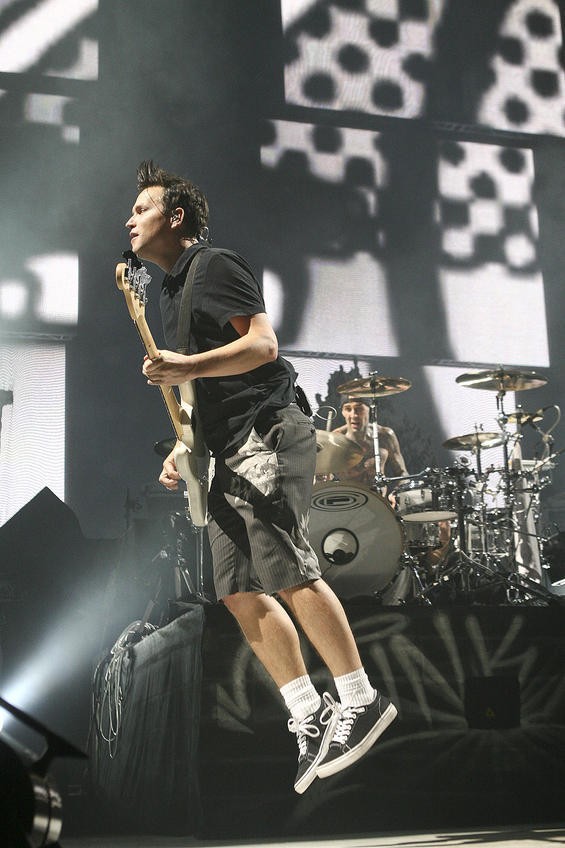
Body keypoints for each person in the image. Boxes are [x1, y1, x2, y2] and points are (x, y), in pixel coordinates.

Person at [126, 160, 397, 795]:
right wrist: (182, 446)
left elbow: (262, 347)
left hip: (266, 431)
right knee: (237, 590)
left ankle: (360, 697)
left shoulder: (214, 265)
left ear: (176, 217)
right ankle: (309, 713)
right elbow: (200, 393)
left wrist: (184, 364)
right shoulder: (171, 292)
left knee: (285, 565)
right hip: (224, 448)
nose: (129, 220)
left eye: (141, 209)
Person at [333, 397, 408, 487]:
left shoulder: (385, 436)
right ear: (343, 412)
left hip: (378, 495)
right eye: (348, 409)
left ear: (370, 409)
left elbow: (402, 473)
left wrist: (397, 491)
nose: (354, 415)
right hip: (348, 495)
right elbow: (326, 477)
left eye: (359, 409)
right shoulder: (334, 439)